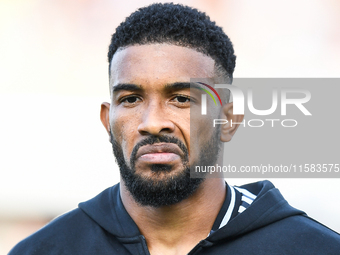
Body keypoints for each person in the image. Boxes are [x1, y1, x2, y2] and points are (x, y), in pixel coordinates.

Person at [9, 3, 340, 255]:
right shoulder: (46, 250)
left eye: (181, 98)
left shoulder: (313, 248)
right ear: (107, 121)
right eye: (132, 98)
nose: (152, 122)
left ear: (229, 120)